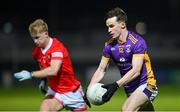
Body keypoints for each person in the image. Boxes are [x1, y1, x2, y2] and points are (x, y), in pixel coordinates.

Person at [87, 7, 158, 111]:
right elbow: (101, 69)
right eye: (107, 27)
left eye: (111, 26)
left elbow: (136, 70)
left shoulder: (137, 42)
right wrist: (89, 90)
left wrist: (115, 85)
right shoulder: (109, 46)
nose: (109, 30)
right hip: (130, 89)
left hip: (147, 85)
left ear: (122, 25)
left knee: (127, 109)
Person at [14, 19, 90, 111]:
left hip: (72, 92)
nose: (35, 41)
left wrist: (31, 74)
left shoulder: (57, 47)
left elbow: (54, 70)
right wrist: (43, 80)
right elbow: (43, 66)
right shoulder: (36, 52)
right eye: (33, 38)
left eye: (37, 37)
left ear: (46, 34)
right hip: (55, 92)